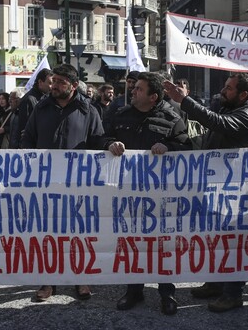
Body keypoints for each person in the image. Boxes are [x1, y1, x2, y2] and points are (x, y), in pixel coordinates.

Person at [164, 73, 248, 313]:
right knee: (217, 239)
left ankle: (233, 293)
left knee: (232, 242)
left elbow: (217, 123)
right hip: (218, 186)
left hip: (235, 192)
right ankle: (217, 283)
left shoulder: (247, 116)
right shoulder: (231, 109)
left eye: (228, 89)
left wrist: (184, 101)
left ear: (243, 95)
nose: (222, 92)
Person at [106, 72, 190, 315]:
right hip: (128, 194)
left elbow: (187, 147)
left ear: (153, 97)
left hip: (161, 196)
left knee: (163, 243)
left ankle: (167, 291)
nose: (133, 91)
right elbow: (102, 138)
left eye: (139, 89)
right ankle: (134, 290)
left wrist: (170, 147)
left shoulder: (172, 119)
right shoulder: (120, 115)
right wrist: (110, 144)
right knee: (133, 242)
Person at [21, 64, 104, 302]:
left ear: (73, 85)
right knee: (49, 234)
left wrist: (109, 147)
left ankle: (80, 278)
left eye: (59, 82)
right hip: (46, 184)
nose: (53, 85)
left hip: (79, 185)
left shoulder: (89, 110)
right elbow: (28, 139)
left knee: (78, 233)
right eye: (52, 80)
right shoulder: (41, 107)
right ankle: (48, 281)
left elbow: (98, 141)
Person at [18, 68, 53, 144]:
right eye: (50, 83)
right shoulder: (28, 100)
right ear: (40, 82)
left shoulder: (47, 98)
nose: (52, 87)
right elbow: (25, 127)